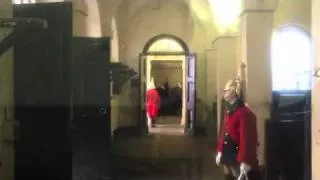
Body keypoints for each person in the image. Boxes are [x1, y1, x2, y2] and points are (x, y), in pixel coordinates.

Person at [215, 79, 260, 180]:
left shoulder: (243, 112)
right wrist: (220, 151)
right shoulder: (229, 109)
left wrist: (245, 160)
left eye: (226, 90)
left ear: (233, 91)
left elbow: (245, 138)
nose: (224, 93)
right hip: (228, 153)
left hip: (237, 155)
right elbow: (224, 132)